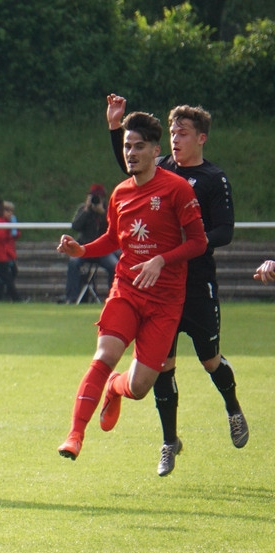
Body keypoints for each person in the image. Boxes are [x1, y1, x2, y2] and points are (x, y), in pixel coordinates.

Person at [57, 111, 208, 476]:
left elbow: (199, 243)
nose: (131, 153)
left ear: (156, 150)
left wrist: (160, 260)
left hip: (165, 300)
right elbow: (113, 239)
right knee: (106, 352)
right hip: (126, 288)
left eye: (139, 146)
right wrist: (82, 250)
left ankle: (115, 388)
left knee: (139, 388)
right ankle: (75, 434)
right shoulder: (120, 193)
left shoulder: (177, 189)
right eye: (127, 146)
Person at [107, 95, 248, 476]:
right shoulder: (161, 170)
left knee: (209, 360)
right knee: (162, 366)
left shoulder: (212, 179)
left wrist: (187, 241)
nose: (174, 139)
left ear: (201, 138)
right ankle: (169, 442)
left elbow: (224, 231)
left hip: (197, 283)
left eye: (182, 133)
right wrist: (115, 128)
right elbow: (128, 163)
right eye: (171, 132)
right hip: (159, 288)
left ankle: (233, 410)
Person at [63, 184, 117, 302]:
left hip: (103, 250)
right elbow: (75, 226)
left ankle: (113, 297)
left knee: (115, 266)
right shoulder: (83, 209)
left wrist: (102, 213)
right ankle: (71, 297)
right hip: (84, 248)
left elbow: (114, 228)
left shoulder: (108, 210)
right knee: (73, 263)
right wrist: (87, 211)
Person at [0, 200, 20, 300]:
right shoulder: (1, 223)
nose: (10, 214)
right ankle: (7, 295)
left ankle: (2, 294)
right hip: (4, 254)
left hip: (9, 253)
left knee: (10, 273)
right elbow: (2, 238)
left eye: (11, 211)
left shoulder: (10, 223)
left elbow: (15, 235)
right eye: (7, 211)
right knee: (9, 274)